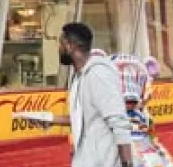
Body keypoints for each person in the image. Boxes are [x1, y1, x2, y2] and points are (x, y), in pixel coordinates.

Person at [54, 22, 133, 167]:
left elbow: (119, 122)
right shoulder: (79, 77)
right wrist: (51, 119)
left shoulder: (98, 74)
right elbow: (86, 119)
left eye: (60, 43)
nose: (58, 48)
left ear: (70, 46)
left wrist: (127, 163)